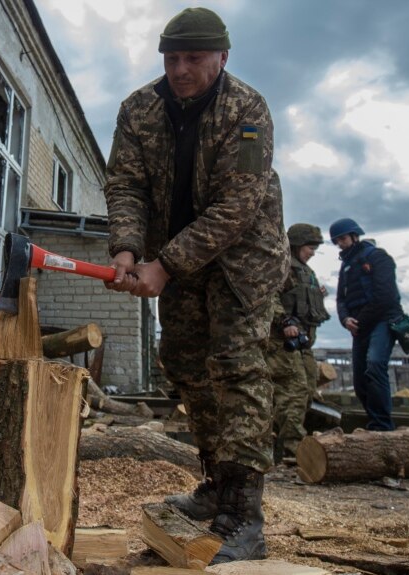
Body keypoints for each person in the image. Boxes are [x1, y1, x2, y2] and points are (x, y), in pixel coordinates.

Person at [102, 7, 288, 563]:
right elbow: (126, 185)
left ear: (222, 58)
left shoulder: (248, 110)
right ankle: (215, 484)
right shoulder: (138, 109)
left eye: (194, 58)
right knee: (183, 361)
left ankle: (246, 511)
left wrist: (165, 265)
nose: (181, 70)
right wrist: (127, 250)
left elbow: (238, 204)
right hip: (175, 257)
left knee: (236, 365)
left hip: (241, 260)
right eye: (172, 58)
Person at [264, 223, 331, 464]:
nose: (312, 252)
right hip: (282, 342)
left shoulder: (305, 271)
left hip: (302, 343)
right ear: (296, 245)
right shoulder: (282, 266)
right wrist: (285, 320)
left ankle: (284, 441)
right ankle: (292, 447)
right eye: (309, 247)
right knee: (294, 391)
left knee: (309, 386)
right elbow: (270, 296)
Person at [331, 218, 402, 431]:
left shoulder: (378, 258)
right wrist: (345, 319)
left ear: (354, 235)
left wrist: (359, 321)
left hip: (382, 320)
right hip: (359, 326)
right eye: (336, 241)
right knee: (360, 378)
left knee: (375, 365)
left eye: (342, 238)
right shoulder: (346, 266)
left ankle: (382, 424)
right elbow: (341, 300)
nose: (340, 244)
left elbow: (386, 296)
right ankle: (372, 419)